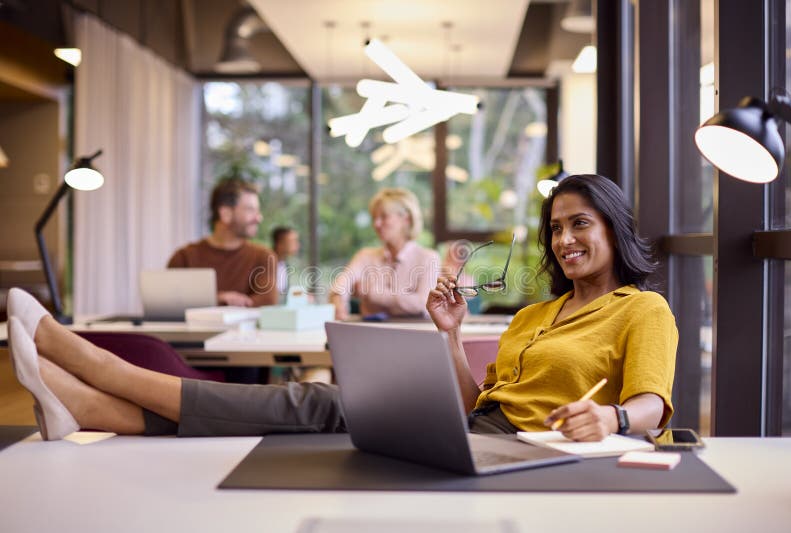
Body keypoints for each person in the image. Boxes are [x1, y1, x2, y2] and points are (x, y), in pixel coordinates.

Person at [6, 174, 677, 442]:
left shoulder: (641, 309)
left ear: (614, 227)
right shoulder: (535, 315)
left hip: (528, 452)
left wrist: (613, 415)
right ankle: (89, 406)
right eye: (556, 228)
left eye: (579, 224)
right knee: (320, 403)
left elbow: (652, 406)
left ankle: (93, 366)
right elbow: (478, 398)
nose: (564, 240)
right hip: (478, 428)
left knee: (317, 404)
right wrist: (448, 338)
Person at [328, 188, 440, 321]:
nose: (376, 224)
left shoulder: (428, 258)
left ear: (406, 219)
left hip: (413, 336)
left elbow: (423, 304)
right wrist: (338, 302)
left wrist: (374, 293)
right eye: (374, 218)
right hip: (371, 336)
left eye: (384, 217)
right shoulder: (365, 256)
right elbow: (339, 287)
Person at [168, 177, 278, 307]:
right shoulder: (184, 257)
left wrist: (207, 302)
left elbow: (268, 301)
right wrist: (218, 298)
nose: (258, 218)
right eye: (250, 210)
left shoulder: (263, 256)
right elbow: (169, 302)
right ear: (226, 214)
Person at [271, 226, 301, 297]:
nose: (298, 245)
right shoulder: (266, 264)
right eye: (293, 241)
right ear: (280, 244)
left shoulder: (285, 264)